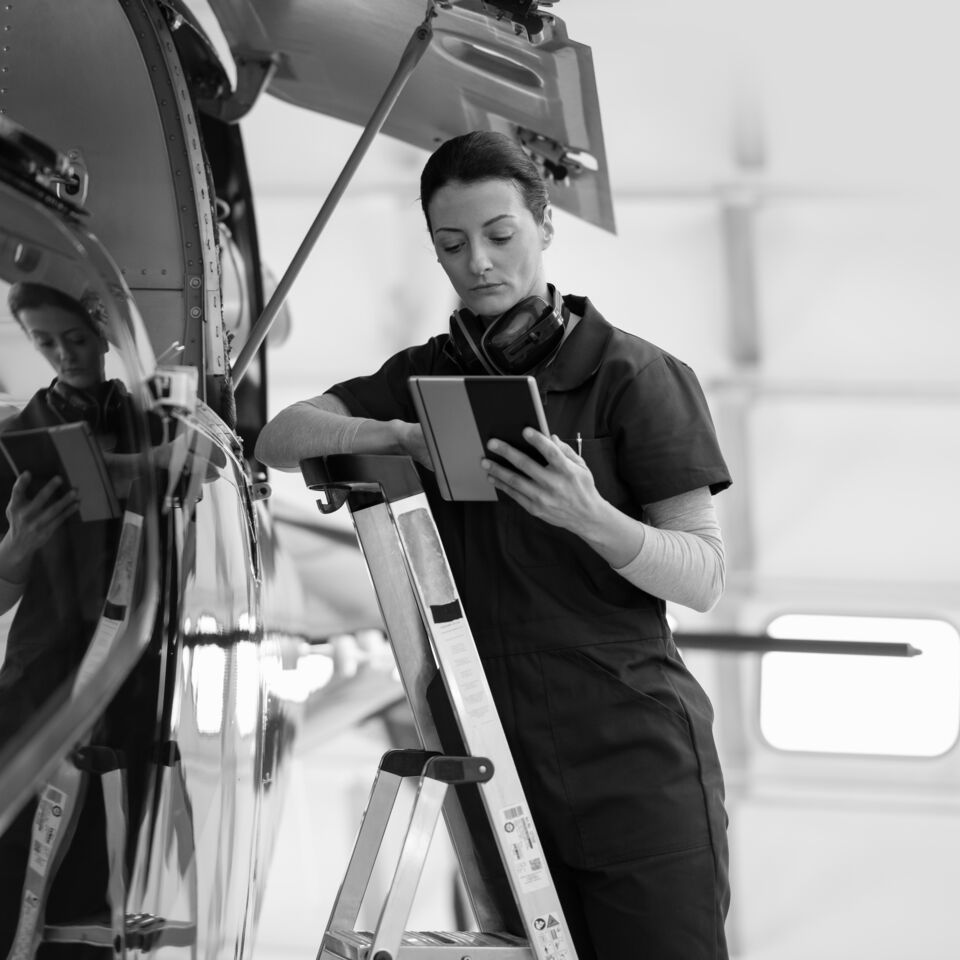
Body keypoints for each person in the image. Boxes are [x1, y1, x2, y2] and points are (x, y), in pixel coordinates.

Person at [255, 131, 732, 959]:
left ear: (544, 226)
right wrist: (401, 432)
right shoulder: (426, 376)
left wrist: (590, 516)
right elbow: (279, 436)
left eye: (500, 235)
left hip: (634, 765)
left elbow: (704, 575)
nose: (478, 261)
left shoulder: (637, 377)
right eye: (451, 244)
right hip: (499, 768)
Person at [0, 282, 137, 955]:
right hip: (39, 678)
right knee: (18, 865)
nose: (63, 353)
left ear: (107, 331)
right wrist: (14, 548)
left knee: (109, 876)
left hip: (138, 681)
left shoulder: (158, 425)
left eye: (75, 337)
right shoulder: (12, 440)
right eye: (44, 342)